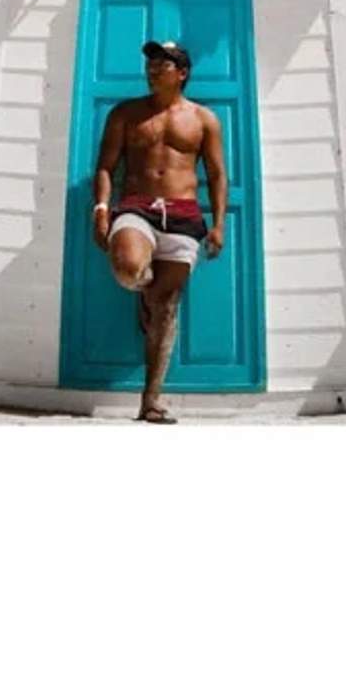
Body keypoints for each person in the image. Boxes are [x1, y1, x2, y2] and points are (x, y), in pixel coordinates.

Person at [92, 39, 227, 424]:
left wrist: (218, 224)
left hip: (184, 216)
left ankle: (150, 401)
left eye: (162, 64)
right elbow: (105, 167)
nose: (152, 69)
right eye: (149, 63)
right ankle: (144, 288)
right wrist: (101, 209)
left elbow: (217, 174)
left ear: (181, 73)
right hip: (137, 208)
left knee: (165, 308)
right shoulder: (125, 113)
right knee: (128, 269)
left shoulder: (204, 119)